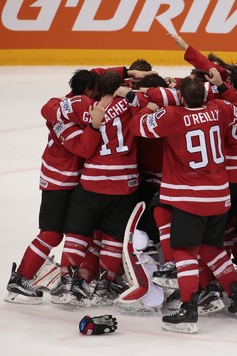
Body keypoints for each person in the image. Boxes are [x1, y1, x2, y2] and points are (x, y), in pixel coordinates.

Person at [130, 68, 237, 334]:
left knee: (185, 252)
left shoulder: (173, 116)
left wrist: (150, 105)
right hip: (219, 195)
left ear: (181, 98)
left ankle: (188, 311)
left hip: (190, 198)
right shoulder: (219, 108)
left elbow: (137, 126)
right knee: (211, 248)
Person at [5, 69, 102, 305]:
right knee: (52, 233)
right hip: (60, 182)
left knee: (82, 231)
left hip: (64, 179)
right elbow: (83, 149)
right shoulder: (64, 123)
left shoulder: (68, 104)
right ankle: (20, 280)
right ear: (88, 91)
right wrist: (95, 127)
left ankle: (75, 279)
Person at [50, 70, 141, 305]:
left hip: (93, 182)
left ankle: (67, 283)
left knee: (78, 232)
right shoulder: (131, 105)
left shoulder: (90, 110)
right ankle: (104, 285)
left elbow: (56, 119)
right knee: (113, 236)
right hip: (125, 184)